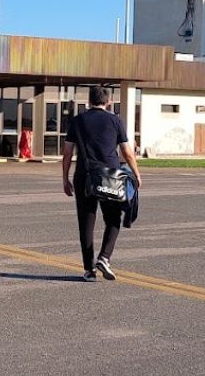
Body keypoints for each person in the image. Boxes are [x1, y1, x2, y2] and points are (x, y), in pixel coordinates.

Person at [61, 86, 142, 282]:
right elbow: (127, 151)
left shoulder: (77, 121)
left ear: (88, 101)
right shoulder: (115, 120)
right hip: (111, 177)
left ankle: (89, 270)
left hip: (84, 176)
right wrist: (137, 175)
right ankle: (104, 258)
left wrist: (65, 178)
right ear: (108, 101)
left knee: (86, 223)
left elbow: (68, 153)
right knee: (113, 218)